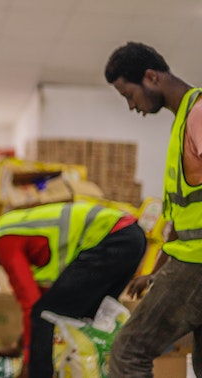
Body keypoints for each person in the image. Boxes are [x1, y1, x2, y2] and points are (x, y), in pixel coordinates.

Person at [0, 202, 146, 378]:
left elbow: (33, 306)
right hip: (131, 238)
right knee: (85, 317)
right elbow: (44, 298)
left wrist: (28, 364)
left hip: (113, 238)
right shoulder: (19, 231)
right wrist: (20, 346)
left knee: (45, 315)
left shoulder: (4, 239)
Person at [104, 41, 202, 377]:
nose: (131, 106)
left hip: (197, 264)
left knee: (128, 352)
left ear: (150, 77)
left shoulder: (199, 114)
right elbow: (181, 222)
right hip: (188, 259)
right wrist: (157, 272)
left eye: (128, 95)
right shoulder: (182, 123)